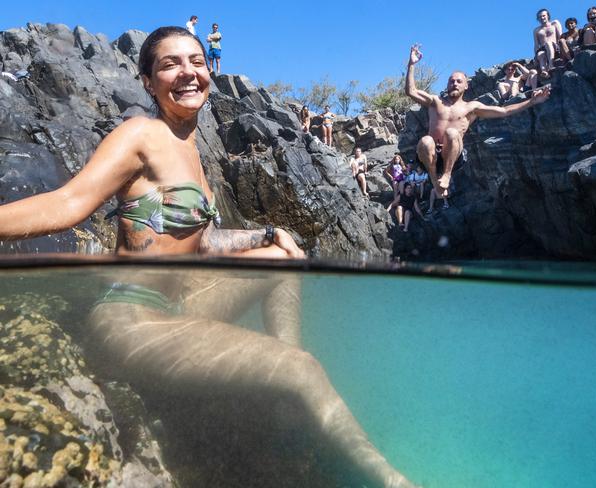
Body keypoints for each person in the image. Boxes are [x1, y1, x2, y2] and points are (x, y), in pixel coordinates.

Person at [0, 26, 418, 488]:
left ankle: (289, 403)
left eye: (196, 61)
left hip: (175, 308)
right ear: (146, 81)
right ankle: (393, 482)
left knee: (280, 258)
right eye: (170, 64)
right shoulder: (141, 135)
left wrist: (270, 232)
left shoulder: (193, 151)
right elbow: (68, 203)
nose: (188, 73)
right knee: (301, 371)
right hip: (130, 319)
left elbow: (199, 243)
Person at [405, 45, 551, 199]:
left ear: (466, 85)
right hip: (431, 155)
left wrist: (532, 101)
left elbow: (504, 111)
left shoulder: (472, 107)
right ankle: (435, 182)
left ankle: (447, 175)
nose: (454, 83)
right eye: (451, 81)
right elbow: (411, 91)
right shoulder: (435, 101)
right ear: (447, 84)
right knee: (426, 140)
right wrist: (412, 64)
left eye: (459, 81)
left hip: (453, 154)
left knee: (452, 133)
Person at [533, 8, 563, 77]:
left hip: (555, 46)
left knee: (548, 44)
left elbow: (561, 36)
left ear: (548, 16)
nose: (542, 18)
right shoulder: (536, 30)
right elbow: (536, 45)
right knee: (540, 53)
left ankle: (551, 66)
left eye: (543, 16)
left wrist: (561, 48)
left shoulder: (555, 23)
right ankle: (544, 72)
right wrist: (535, 56)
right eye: (540, 17)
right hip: (543, 49)